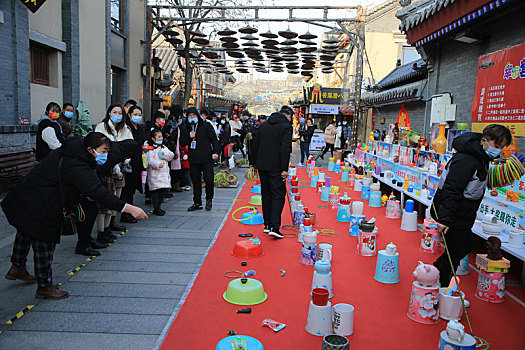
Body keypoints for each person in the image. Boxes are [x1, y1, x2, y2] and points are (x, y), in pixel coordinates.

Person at [2, 132, 148, 299]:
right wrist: (128, 208)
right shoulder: (76, 164)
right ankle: (45, 286)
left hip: (28, 195)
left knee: (26, 229)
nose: (106, 155)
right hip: (43, 203)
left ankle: (17, 267)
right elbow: (97, 191)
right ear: (90, 149)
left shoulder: (74, 150)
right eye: (103, 151)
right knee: (44, 242)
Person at [431, 124, 512, 287]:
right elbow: (452, 189)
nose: (499, 150)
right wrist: (445, 219)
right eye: (497, 146)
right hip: (453, 214)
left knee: (464, 245)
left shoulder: (482, 158)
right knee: (456, 250)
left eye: (502, 147)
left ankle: (437, 272)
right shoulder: (466, 160)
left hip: (464, 213)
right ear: (484, 140)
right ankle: (443, 286)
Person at [250, 106, 293, 239]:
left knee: (266, 194)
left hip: (262, 166)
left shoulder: (263, 126)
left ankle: (267, 224)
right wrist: (284, 169)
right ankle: (275, 227)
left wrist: (253, 163)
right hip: (276, 167)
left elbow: (254, 144)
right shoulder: (286, 127)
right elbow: (285, 148)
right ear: (288, 116)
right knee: (278, 195)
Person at [95, 104, 134, 239]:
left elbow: (130, 146)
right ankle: (102, 230)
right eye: (114, 112)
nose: (117, 115)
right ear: (109, 113)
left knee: (116, 195)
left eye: (120, 113)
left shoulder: (125, 128)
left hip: (121, 167)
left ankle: (111, 223)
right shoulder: (101, 127)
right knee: (105, 201)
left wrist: (122, 163)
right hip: (105, 167)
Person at [179, 107, 220, 211]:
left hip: (206, 157)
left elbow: (214, 140)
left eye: (194, 115)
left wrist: (216, 152)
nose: (192, 118)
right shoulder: (185, 127)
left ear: (197, 116)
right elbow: (182, 143)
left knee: (209, 180)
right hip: (193, 159)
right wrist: (189, 136)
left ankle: (209, 200)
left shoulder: (206, 125)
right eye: (190, 116)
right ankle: (197, 202)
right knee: (196, 182)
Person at [120, 105, 146, 223]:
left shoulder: (140, 128)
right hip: (128, 161)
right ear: (129, 115)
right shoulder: (126, 128)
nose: (137, 117)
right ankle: (126, 213)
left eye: (139, 115)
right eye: (135, 114)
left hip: (137, 161)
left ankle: (130, 211)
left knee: (131, 188)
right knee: (125, 189)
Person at [145, 129, 175, 216]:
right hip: (155, 173)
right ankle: (156, 207)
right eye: (158, 137)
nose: (160, 138)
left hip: (164, 173)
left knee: (163, 191)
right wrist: (157, 164)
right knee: (155, 191)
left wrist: (164, 155)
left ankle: (159, 206)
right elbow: (149, 160)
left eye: (161, 136)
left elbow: (171, 155)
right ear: (153, 138)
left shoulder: (163, 147)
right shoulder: (150, 149)